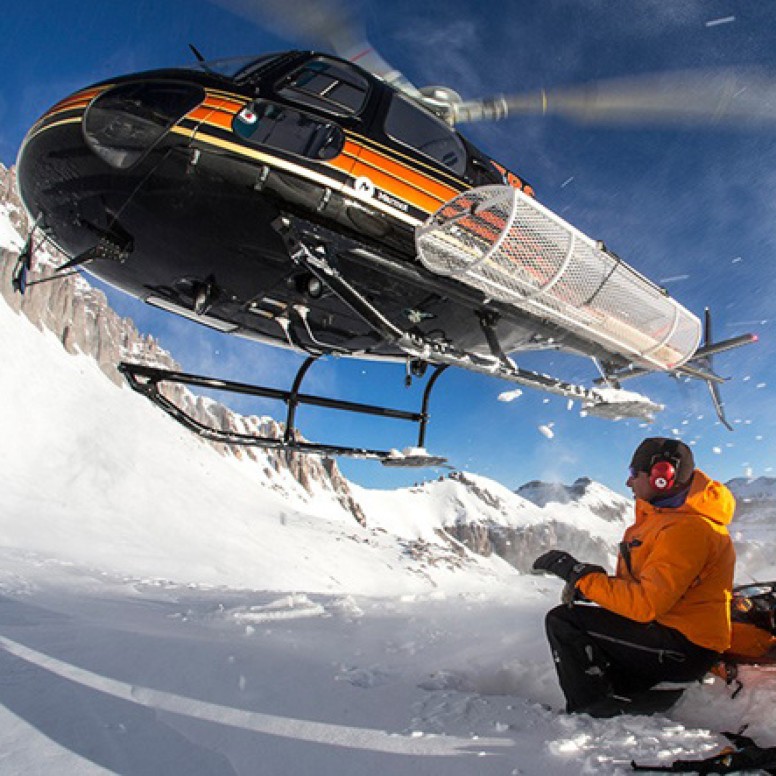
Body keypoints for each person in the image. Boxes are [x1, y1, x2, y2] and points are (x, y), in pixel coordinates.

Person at [532, 437, 736, 717]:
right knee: (587, 622)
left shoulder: (687, 529)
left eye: (633, 474)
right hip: (671, 634)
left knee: (564, 621)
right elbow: (644, 589)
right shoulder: (663, 519)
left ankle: (591, 714)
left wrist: (579, 576)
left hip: (685, 647)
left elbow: (644, 605)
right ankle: (627, 695)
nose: (628, 483)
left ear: (661, 476)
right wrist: (589, 585)